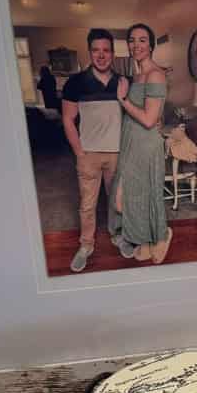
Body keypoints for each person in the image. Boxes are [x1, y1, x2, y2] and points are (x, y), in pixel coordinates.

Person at [60, 30, 125, 272]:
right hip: (89, 154)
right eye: (96, 50)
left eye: (106, 50)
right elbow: (68, 119)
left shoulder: (123, 82)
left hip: (117, 153)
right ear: (90, 52)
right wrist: (79, 152)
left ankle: (118, 235)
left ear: (112, 53)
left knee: (118, 201)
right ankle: (86, 245)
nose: (101, 55)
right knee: (88, 204)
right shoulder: (75, 83)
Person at [109, 23, 172, 263]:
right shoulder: (137, 74)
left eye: (142, 40)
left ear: (152, 44)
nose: (136, 45)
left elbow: (148, 119)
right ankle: (145, 238)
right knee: (129, 196)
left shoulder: (155, 74)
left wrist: (123, 100)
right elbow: (153, 112)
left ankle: (162, 235)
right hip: (131, 141)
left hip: (145, 144)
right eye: (132, 40)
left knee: (138, 194)